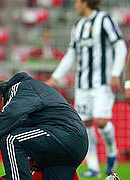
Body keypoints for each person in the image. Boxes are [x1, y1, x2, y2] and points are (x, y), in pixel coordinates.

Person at [45, 0, 127, 177]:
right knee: (85, 125)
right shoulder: (78, 26)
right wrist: (55, 78)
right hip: (82, 85)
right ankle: (93, 167)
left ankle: (112, 151)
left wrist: (115, 73)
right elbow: (71, 54)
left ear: (85, 2)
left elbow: (120, 46)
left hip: (102, 83)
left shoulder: (104, 20)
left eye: (77, 1)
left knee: (101, 121)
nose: (75, 5)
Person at [0, 72, 88, 180]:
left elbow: (12, 114)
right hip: (73, 144)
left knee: (11, 140)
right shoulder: (31, 89)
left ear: (0, 96)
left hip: (65, 134)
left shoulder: (20, 88)